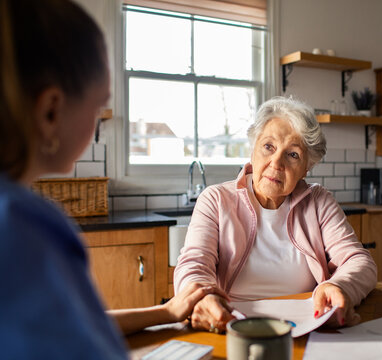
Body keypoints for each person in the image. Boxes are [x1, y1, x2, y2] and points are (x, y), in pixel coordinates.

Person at [0, 0, 225, 358]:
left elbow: (80, 322)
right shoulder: (26, 224)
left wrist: (165, 312)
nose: (96, 124)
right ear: (50, 110)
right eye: (97, 106)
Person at [174, 96, 378, 333]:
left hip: (307, 327)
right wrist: (202, 298)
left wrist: (340, 287)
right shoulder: (216, 200)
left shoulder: (318, 201)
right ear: (253, 150)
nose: (276, 163)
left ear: (306, 169)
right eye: (269, 147)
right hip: (232, 326)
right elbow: (193, 265)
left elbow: (360, 261)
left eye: (293, 155)